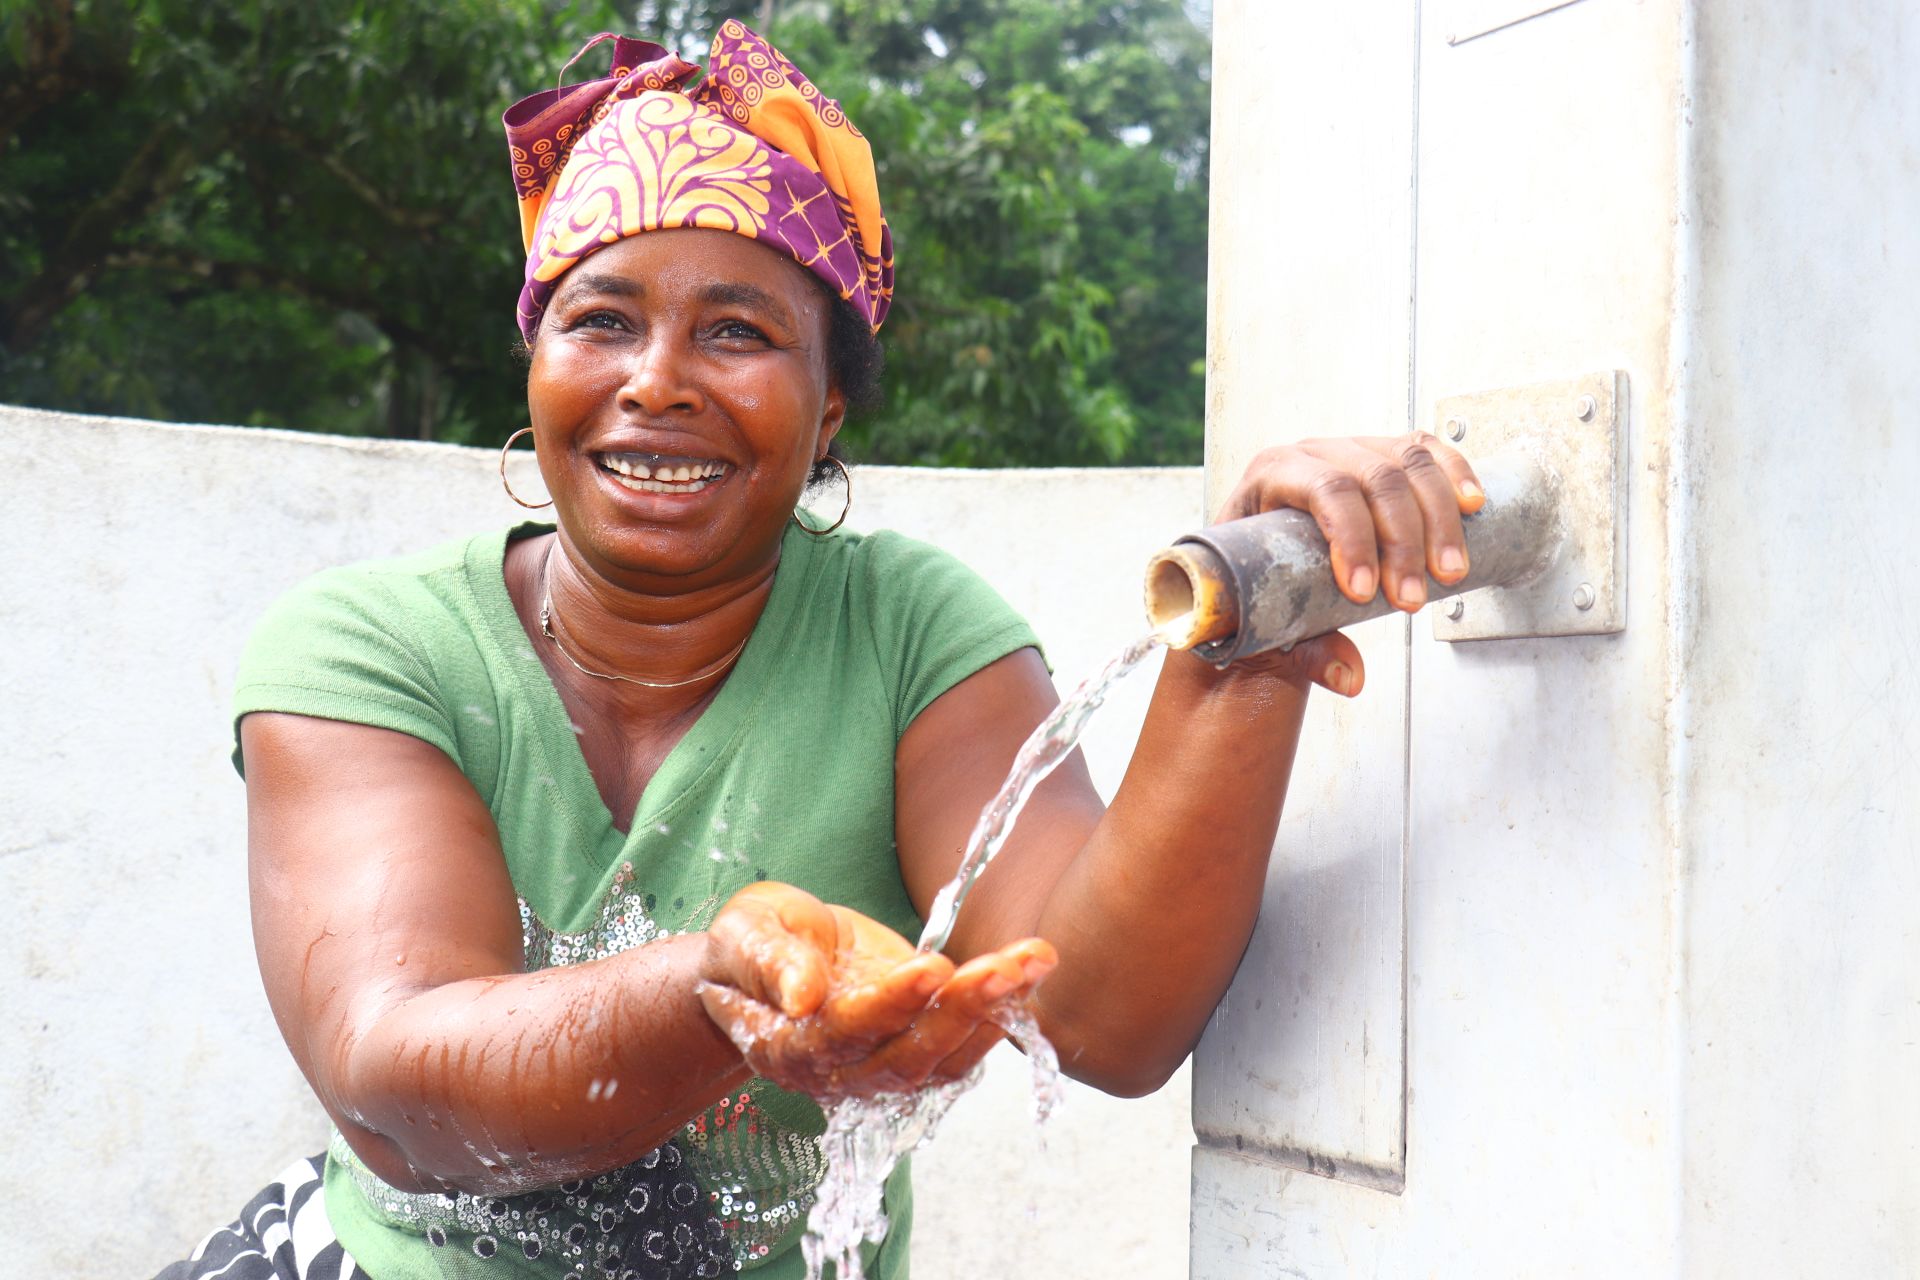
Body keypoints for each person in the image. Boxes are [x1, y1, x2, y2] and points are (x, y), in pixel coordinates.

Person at [157, 20, 1482, 1280]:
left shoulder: (909, 636)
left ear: (830, 405)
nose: (657, 379)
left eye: (738, 331)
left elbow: (1103, 1017)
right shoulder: (368, 651)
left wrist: (1247, 645)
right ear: (536, 365)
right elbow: (400, 1090)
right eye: (601, 320)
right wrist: (713, 987)